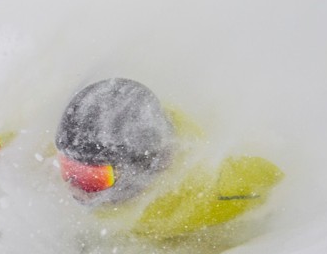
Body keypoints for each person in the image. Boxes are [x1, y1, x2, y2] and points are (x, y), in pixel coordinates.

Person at [55, 78, 283, 243]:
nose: (73, 188)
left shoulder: (212, 193)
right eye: (67, 168)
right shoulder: (87, 142)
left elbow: (281, 185)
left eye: (93, 179)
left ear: (143, 170)